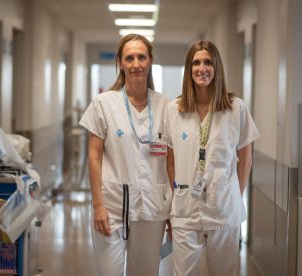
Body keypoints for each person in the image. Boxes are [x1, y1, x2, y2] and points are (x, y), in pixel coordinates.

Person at [79, 34, 172, 276]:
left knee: (145, 271)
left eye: (141, 57)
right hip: (111, 206)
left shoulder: (165, 106)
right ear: (120, 62)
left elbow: (172, 160)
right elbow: (93, 157)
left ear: (150, 60)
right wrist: (98, 205)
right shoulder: (103, 104)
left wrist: (174, 209)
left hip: (153, 208)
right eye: (129, 58)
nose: (136, 64)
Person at [166, 40, 260, 276]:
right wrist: (176, 193)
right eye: (196, 63)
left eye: (208, 62)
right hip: (186, 209)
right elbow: (170, 159)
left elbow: (246, 159)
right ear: (189, 69)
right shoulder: (174, 109)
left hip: (224, 210)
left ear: (216, 67)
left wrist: (234, 197)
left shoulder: (235, 108)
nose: (202, 68)